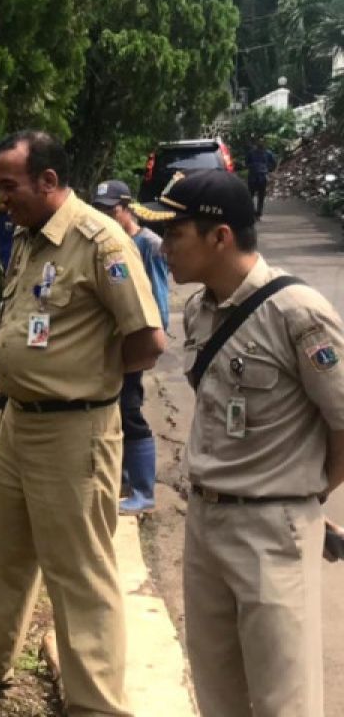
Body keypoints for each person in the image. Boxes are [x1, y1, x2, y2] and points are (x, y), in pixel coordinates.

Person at [0, 130, 165, 716]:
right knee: (2, 550)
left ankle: (96, 704)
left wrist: (89, 381)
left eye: (9, 186)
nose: (1, 199)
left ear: (48, 181)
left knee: (79, 572)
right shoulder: (30, 239)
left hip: (74, 429)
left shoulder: (99, 242)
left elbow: (148, 341)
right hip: (19, 424)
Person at [133, 169, 344, 717]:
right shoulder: (201, 310)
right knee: (218, 692)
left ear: (219, 237)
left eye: (174, 234)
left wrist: (307, 497)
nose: (162, 247)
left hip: (272, 530)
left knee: (284, 700)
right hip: (206, 521)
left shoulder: (297, 313)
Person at [92, 179, 170, 515]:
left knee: (130, 411)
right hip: (110, 344)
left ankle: (143, 490)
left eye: (111, 210)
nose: (105, 215)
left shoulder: (147, 243)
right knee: (116, 410)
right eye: (100, 210)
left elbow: (159, 301)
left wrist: (149, 341)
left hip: (134, 341)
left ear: (127, 208)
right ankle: (123, 477)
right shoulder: (105, 242)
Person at [244, 137, 278, 218]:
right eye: (259, 142)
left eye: (262, 142)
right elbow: (246, 163)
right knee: (254, 195)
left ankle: (258, 212)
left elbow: (273, 163)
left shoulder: (267, 153)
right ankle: (254, 211)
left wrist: (267, 169)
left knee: (259, 195)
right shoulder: (252, 153)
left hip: (260, 176)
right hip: (255, 176)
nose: (260, 144)